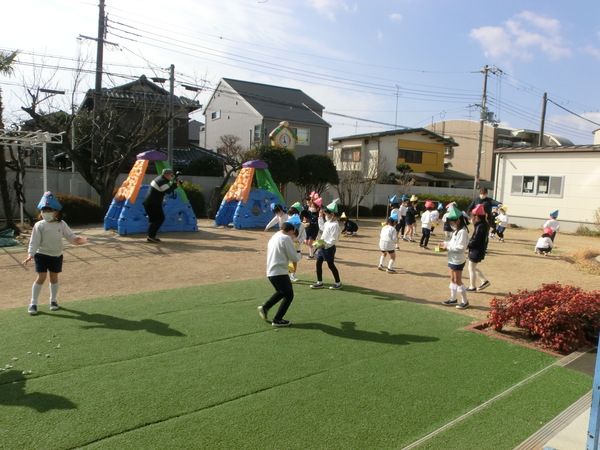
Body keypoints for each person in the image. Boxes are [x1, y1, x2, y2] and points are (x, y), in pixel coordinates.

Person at [21, 192, 87, 315]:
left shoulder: (61, 224)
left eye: (49, 210)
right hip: (41, 255)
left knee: (54, 278)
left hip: (56, 255)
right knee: (41, 277)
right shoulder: (39, 225)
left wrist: (78, 240)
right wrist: (30, 254)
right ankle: (33, 303)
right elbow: (34, 241)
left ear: (57, 211)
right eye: (43, 210)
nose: (46, 213)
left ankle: (53, 301)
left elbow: (70, 236)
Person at [257, 222, 302, 327]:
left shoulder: (274, 236)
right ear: (291, 232)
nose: (293, 237)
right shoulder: (286, 238)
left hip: (272, 271)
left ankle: (265, 307)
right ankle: (277, 319)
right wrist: (299, 253)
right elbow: (294, 257)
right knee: (289, 295)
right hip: (279, 271)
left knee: (282, 292)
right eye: (293, 235)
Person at [440, 205, 470, 309]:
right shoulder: (457, 231)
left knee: (458, 280)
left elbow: (461, 247)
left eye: (451, 222)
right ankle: (453, 299)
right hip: (452, 258)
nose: (450, 224)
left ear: (457, 221)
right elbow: (452, 243)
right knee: (452, 279)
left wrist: (447, 248)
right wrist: (444, 243)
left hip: (457, 260)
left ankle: (465, 301)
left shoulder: (462, 231)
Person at [143, 168, 182, 243]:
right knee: (160, 218)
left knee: (153, 220)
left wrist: (174, 183)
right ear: (167, 175)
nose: (171, 176)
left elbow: (167, 187)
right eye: (171, 175)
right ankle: (151, 236)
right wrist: (175, 184)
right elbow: (168, 191)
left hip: (149, 202)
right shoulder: (161, 181)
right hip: (153, 203)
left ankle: (150, 236)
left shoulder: (160, 179)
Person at [310, 200, 342, 290]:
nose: (326, 216)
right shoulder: (328, 223)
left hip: (329, 248)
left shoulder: (335, 225)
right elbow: (322, 228)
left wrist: (326, 245)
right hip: (322, 246)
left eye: (326, 214)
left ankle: (338, 282)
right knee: (318, 263)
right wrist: (320, 218)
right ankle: (319, 282)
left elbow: (334, 239)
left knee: (330, 265)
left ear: (332, 214)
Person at [466, 204, 490, 292]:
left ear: (476, 217)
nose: (471, 218)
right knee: (472, 267)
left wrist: (468, 245)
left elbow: (476, 239)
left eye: (471, 216)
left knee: (471, 267)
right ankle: (484, 281)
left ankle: (473, 286)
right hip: (478, 249)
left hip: (476, 250)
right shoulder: (482, 225)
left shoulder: (480, 226)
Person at [285, 205, 305, 282]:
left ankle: (293, 275)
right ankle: (285, 274)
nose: (289, 216)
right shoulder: (287, 223)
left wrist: (299, 241)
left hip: (297, 246)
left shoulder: (301, 225)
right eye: (289, 214)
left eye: (290, 214)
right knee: (286, 259)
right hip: (288, 244)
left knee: (295, 260)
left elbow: (303, 235)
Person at [301, 195, 321, 259]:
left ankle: (311, 255)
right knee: (306, 242)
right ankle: (314, 248)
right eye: (311, 206)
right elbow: (304, 213)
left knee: (309, 242)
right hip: (307, 229)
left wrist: (310, 223)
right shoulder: (309, 212)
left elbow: (316, 222)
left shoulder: (317, 215)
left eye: (312, 206)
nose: (311, 207)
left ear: (317, 208)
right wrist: (301, 209)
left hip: (314, 230)